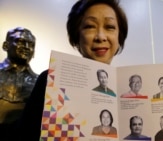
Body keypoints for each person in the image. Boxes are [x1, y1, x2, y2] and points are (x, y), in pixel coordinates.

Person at [11, 0, 128, 140]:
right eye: (90, 26)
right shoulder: (51, 80)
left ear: (119, 36)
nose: (100, 37)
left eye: (110, 27)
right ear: (76, 35)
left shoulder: (125, 87)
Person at [0, 27, 38, 140]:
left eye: (31, 44)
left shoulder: (39, 82)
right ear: (6, 45)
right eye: (21, 42)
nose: (27, 47)